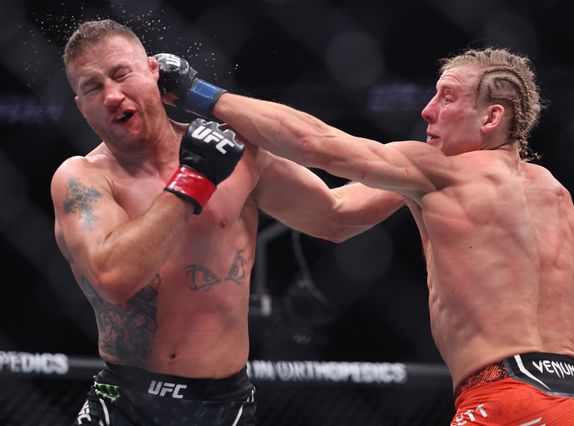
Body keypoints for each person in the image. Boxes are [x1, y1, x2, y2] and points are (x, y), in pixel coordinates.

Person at [154, 48, 574, 425]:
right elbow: (335, 217)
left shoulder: (438, 172)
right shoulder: (556, 194)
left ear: (492, 117)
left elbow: (316, 143)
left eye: (447, 97)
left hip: (505, 400)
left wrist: (197, 93)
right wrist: (251, 158)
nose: (427, 110)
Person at [51, 19, 404, 426]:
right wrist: (193, 180)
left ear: (153, 72)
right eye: (93, 87)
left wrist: (426, 174)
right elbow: (114, 277)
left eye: (121, 74)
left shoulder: (236, 154)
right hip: (123, 404)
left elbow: (336, 215)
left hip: (224, 405)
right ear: (81, 106)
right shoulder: (82, 178)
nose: (112, 95)